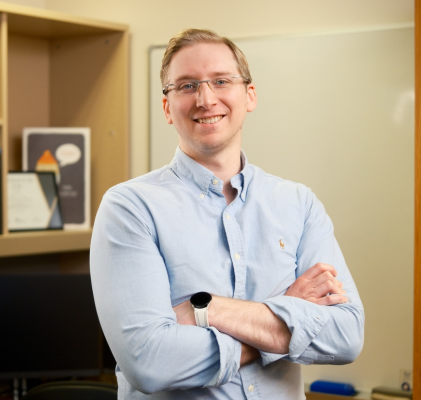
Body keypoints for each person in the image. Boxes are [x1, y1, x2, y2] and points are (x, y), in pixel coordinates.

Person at [90, 28, 365, 400]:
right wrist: (286, 316)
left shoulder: (298, 204)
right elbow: (148, 361)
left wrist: (208, 309)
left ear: (249, 95)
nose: (205, 98)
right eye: (186, 86)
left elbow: (346, 335)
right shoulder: (130, 207)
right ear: (167, 107)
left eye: (221, 80)